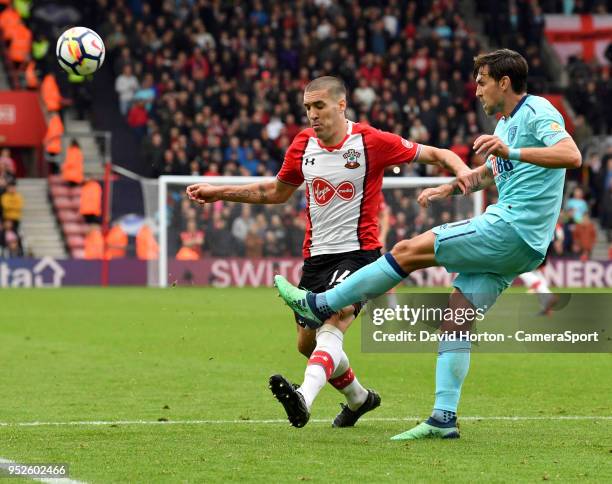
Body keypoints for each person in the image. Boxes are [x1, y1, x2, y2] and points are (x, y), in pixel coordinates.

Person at [275, 51, 582, 439]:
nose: (476, 90)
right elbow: (495, 170)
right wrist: (454, 185)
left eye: (482, 81)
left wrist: (512, 151)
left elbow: (571, 155)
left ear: (504, 83)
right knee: (456, 318)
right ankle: (443, 418)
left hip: (511, 228)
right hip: (524, 243)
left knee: (406, 251)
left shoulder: (537, 110)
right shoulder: (505, 124)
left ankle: (321, 302)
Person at [187, 76, 474, 428]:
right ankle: (358, 398)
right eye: (307, 107)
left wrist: (462, 171)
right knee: (307, 345)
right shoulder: (302, 145)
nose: (312, 114)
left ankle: (303, 397)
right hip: (316, 258)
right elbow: (276, 192)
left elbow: (436, 153)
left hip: (359, 255)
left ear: (341, 106)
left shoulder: (371, 142)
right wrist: (220, 193)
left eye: (319, 106)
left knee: (334, 322)